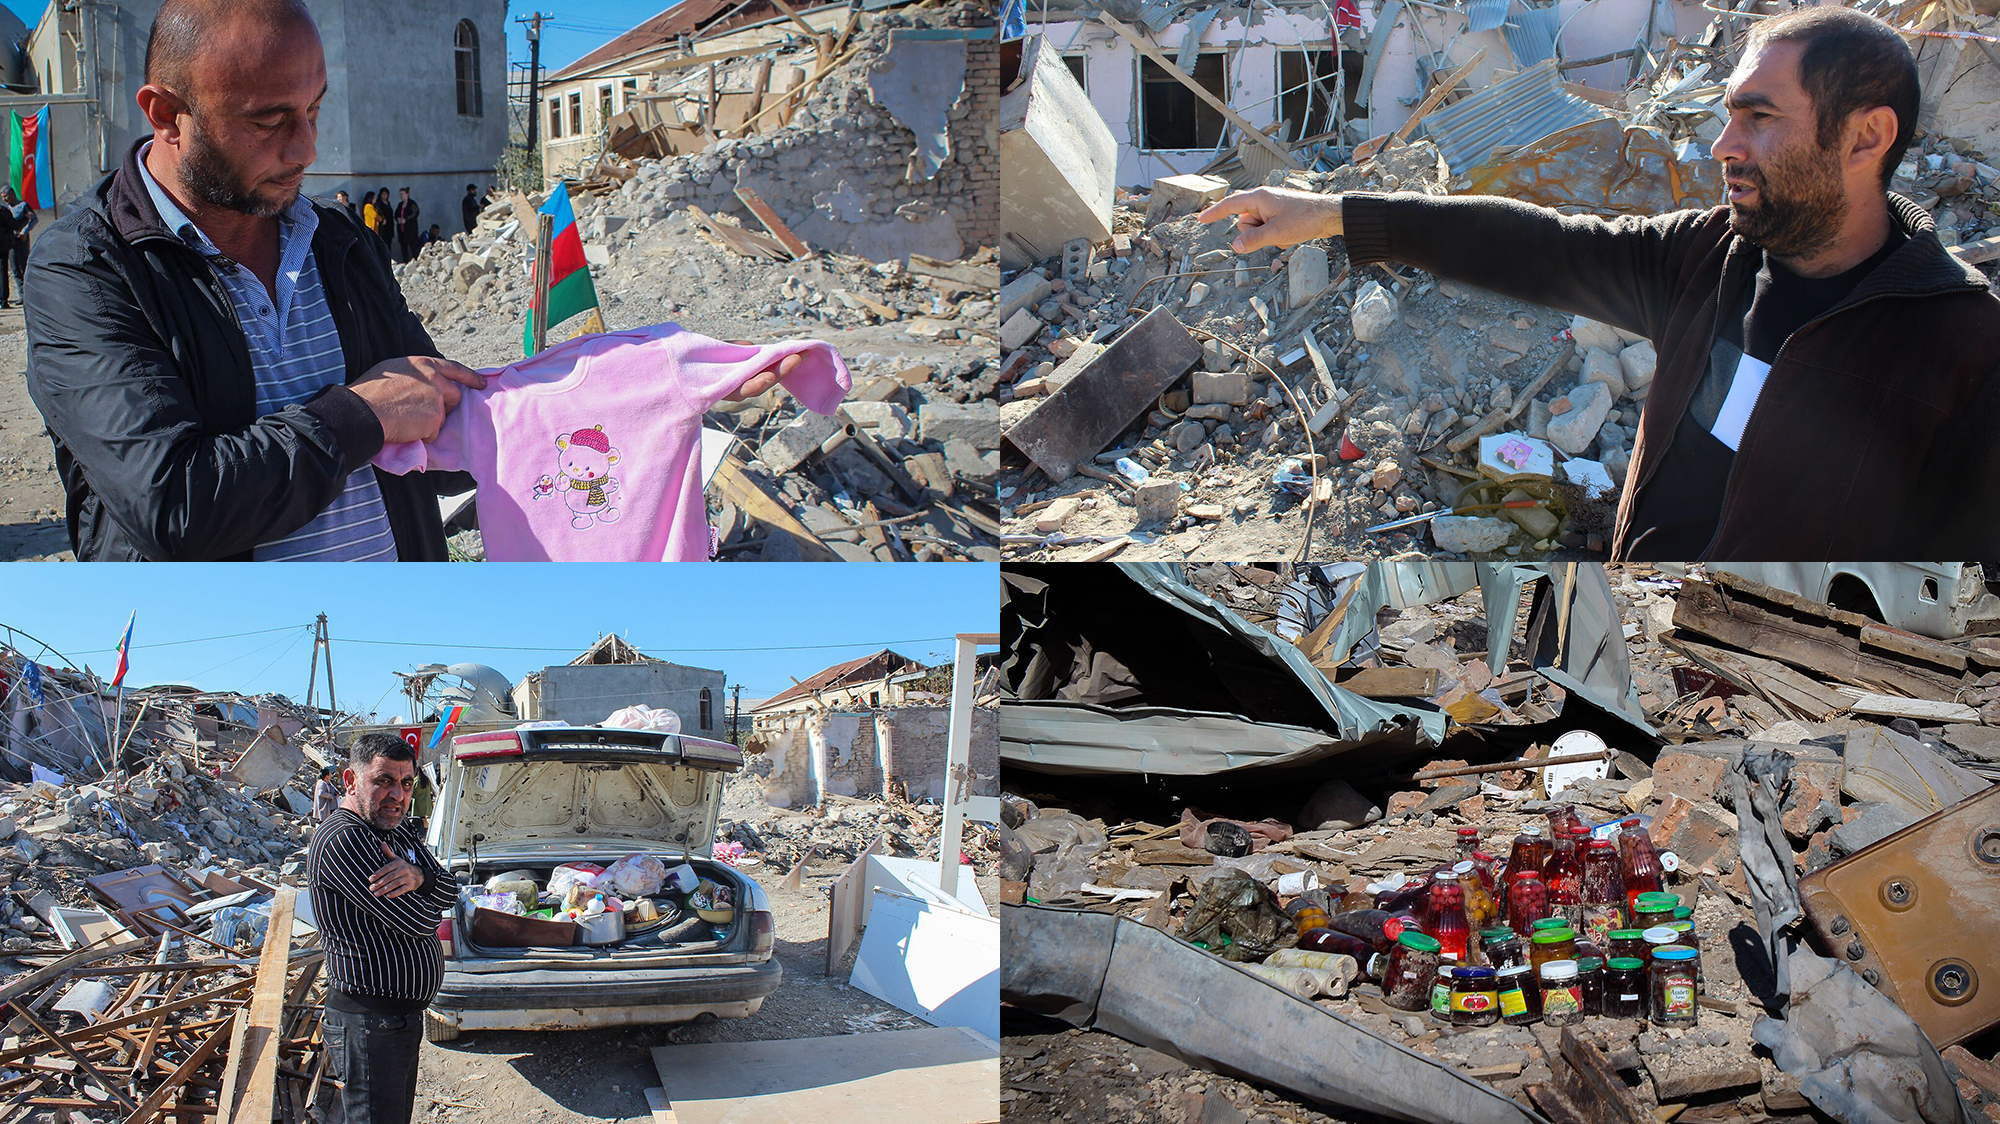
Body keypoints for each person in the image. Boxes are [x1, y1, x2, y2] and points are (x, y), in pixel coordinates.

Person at [1198, 6, 1999, 561]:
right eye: (1726, 114)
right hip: (1645, 664)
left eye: (1759, 117)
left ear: (1867, 136)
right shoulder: (1704, 259)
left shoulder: (1962, 345)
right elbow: (1536, 246)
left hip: (1784, 732)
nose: (1722, 145)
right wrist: (1336, 212)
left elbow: (1966, 600)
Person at [23, 0, 798, 561]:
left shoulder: (331, 240)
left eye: (315, 110)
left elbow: (444, 410)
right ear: (166, 115)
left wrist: (645, 389)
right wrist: (358, 416)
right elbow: (176, 504)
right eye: (267, 121)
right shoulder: (87, 269)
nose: (305, 149)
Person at [307, 732, 456, 1124]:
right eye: (384, 781)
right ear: (351, 781)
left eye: (406, 783)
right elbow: (421, 921)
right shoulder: (345, 839)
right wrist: (430, 895)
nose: (398, 795)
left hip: (397, 1021)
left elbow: (451, 888)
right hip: (369, 1023)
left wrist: (418, 876)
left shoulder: (395, 831)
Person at [6, 187, 34, 305]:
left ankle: (30, 294)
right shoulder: (5, 209)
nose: (4, 199)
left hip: (21, 241)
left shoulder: (23, 206)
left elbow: (33, 219)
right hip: (11, 242)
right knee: (15, 269)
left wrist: (24, 231)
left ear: (12, 194)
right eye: (2, 197)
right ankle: (21, 295)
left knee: (24, 267)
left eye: (5, 196)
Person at [393, 186, 419, 263]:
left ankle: (416, 261)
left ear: (407, 194)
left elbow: (415, 213)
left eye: (402, 194)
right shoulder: (400, 205)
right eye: (400, 194)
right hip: (402, 230)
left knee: (413, 246)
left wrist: (406, 220)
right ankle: (405, 262)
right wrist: (397, 219)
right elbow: (396, 214)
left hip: (410, 230)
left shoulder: (412, 204)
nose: (401, 196)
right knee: (403, 247)